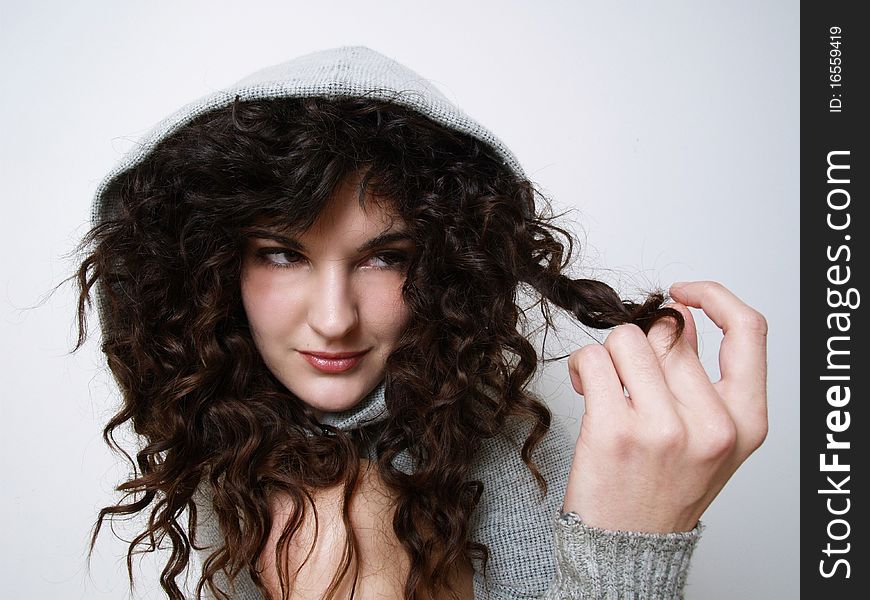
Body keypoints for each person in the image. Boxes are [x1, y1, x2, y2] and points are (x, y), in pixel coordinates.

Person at [74, 46, 768, 600]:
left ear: (446, 264)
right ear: (211, 265)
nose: (334, 319)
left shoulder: (571, 452)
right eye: (283, 254)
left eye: (385, 257)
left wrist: (628, 549)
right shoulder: (229, 434)